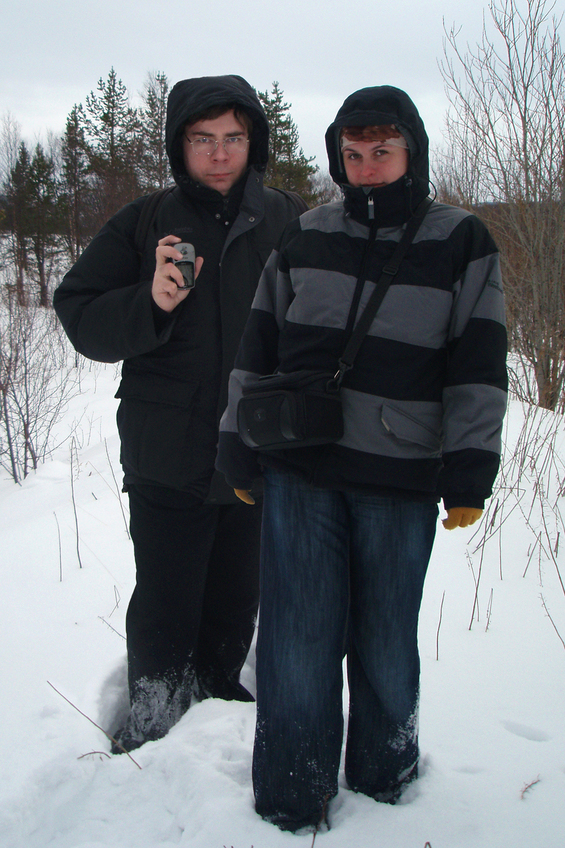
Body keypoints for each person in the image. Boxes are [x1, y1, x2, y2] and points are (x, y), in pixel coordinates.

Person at [216, 85, 507, 832]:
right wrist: (235, 445)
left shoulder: (460, 241)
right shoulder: (306, 235)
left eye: (381, 152)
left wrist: (469, 467)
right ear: (335, 158)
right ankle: (292, 793)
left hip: (399, 477)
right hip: (300, 472)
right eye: (352, 154)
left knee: (383, 639)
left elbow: (477, 363)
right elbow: (257, 346)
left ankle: (385, 780)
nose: (366, 168)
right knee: (295, 641)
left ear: (410, 150)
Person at [53, 74, 307, 754]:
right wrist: (151, 304)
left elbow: (322, 325)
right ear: (178, 145)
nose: (219, 154)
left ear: (252, 142)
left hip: (255, 446)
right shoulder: (145, 221)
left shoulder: (289, 220)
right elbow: (80, 316)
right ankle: (154, 716)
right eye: (202, 140)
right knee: (165, 596)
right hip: (166, 444)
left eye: (232, 138)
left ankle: (220, 695)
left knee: (235, 592)